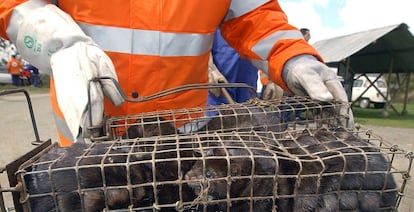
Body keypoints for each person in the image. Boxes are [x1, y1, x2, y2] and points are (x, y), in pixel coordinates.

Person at [0, 1, 352, 147]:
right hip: (91, 144)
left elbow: (256, 16)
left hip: (180, 151)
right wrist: (58, 43)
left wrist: (293, 56)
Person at [208, 28, 258, 105]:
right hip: (220, 79)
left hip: (247, 78)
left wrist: (271, 80)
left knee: (248, 110)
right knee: (219, 112)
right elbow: (199, 42)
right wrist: (210, 69)